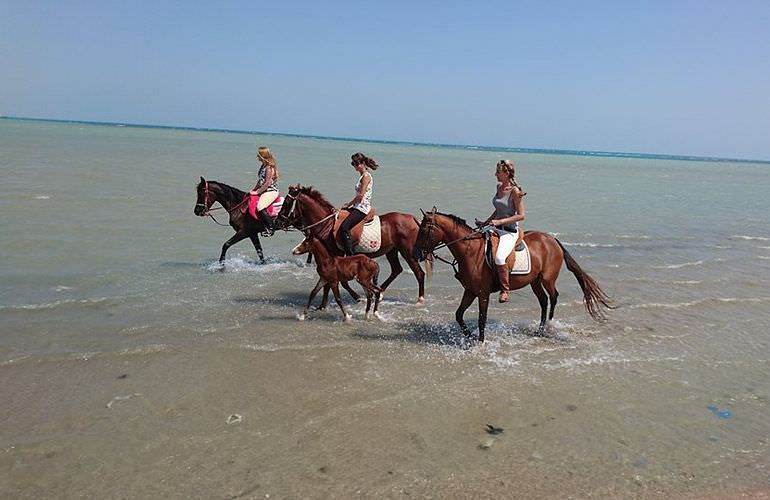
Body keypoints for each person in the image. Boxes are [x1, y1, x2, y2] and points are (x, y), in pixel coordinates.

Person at [475, 159, 526, 303]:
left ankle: (505, 290)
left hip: (509, 231)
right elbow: (498, 209)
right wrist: (484, 223)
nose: (495, 175)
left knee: (499, 258)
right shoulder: (499, 187)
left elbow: (521, 215)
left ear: (506, 173)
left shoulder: (515, 191)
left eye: (498, 172)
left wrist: (500, 222)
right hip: (495, 227)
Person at [340, 152, 378, 256]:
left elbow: (360, 196)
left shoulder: (366, 177)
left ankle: (350, 255)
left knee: (344, 228)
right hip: (357, 206)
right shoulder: (362, 176)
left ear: (361, 163)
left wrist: (348, 204)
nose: (354, 167)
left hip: (362, 208)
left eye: (355, 164)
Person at [250, 146, 280, 236]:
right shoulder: (263, 166)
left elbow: (267, 183)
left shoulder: (269, 168)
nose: (257, 156)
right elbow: (260, 181)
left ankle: (270, 228)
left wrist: (257, 192)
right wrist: (254, 189)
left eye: (258, 155)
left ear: (263, 156)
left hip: (270, 191)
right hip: (263, 190)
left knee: (260, 207)